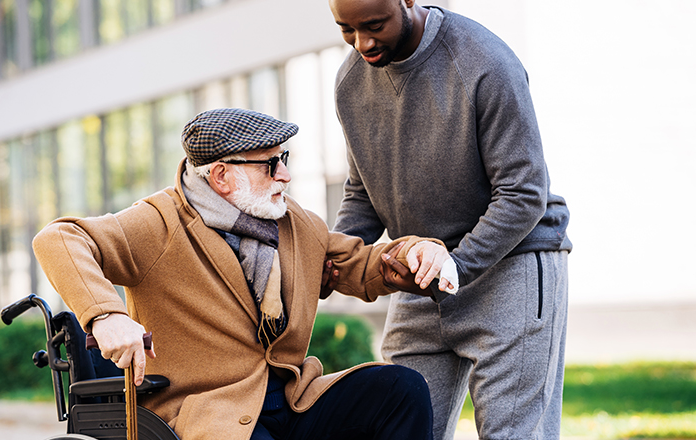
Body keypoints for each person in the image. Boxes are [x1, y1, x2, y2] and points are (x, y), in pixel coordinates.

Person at [32, 107, 458, 440]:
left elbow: (365, 265)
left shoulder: (297, 225)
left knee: (401, 390)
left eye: (284, 160)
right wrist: (107, 316)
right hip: (209, 415)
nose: (285, 175)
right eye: (270, 165)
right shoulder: (158, 224)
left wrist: (417, 250)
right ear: (221, 176)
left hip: (293, 400)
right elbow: (59, 239)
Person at [326, 1, 573, 439]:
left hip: (508, 267)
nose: (362, 42)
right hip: (419, 274)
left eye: (374, 25)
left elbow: (524, 191)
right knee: (396, 428)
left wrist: (454, 266)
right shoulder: (350, 84)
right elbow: (363, 193)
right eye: (346, 29)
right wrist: (330, 257)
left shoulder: (484, 62)